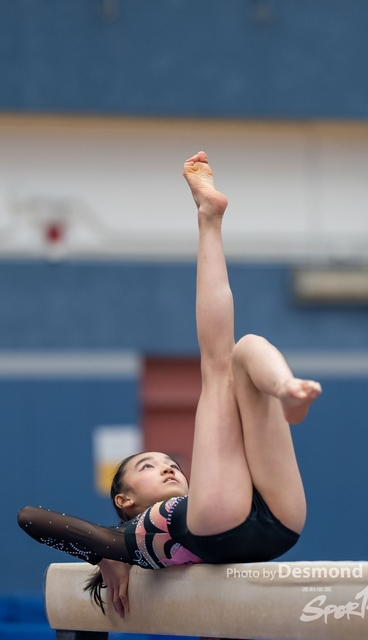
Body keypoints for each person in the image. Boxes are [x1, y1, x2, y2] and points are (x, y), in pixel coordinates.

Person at [18, 151, 321, 617]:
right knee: (217, 365)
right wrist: (102, 552)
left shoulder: (146, 536)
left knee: (244, 350)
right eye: (149, 465)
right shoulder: (126, 539)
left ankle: (285, 389)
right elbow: (30, 519)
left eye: (168, 462)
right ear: (124, 500)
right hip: (233, 523)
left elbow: (33, 520)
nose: (168, 468)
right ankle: (208, 219)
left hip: (274, 518)